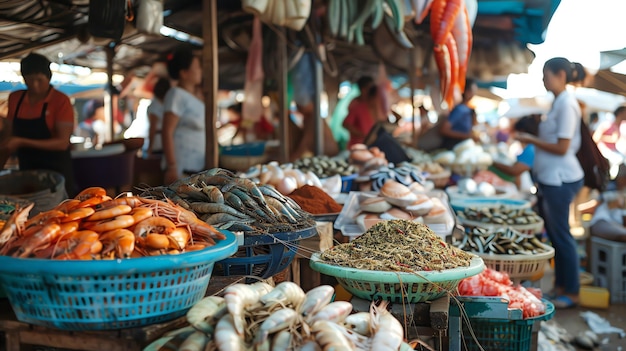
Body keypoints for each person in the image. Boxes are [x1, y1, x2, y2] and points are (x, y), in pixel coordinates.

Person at [515, 57, 586, 309]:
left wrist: (530, 139)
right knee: (556, 237)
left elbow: (562, 146)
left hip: (561, 179)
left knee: (562, 236)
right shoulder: (559, 102)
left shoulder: (567, 104)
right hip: (551, 179)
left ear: (559, 75)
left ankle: (573, 292)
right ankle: (562, 286)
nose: (543, 79)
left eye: (546, 74)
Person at [0, 52, 76, 196]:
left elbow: (62, 143)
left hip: (57, 172)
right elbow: (8, 138)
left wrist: (21, 142)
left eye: (39, 80)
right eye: (29, 80)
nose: (34, 85)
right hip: (27, 171)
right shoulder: (16, 98)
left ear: (48, 77)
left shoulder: (60, 101)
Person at [162, 46, 205, 184]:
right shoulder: (176, 95)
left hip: (195, 169)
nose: (200, 71)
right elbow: (167, 131)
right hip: (181, 170)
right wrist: (172, 166)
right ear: (184, 73)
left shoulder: (192, 97)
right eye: (197, 67)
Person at [490, 115, 541, 191]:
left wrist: (491, 162)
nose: (515, 135)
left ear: (523, 131)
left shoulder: (530, 149)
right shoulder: (528, 148)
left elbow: (514, 171)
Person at [342, 76, 383, 148]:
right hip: (357, 146)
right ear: (363, 89)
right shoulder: (357, 105)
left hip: (369, 145)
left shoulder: (372, 107)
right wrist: (363, 135)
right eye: (369, 89)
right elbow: (345, 124)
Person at [439, 78, 478, 150]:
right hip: (452, 148)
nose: (474, 93)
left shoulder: (467, 110)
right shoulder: (460, 110)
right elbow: (444, 130)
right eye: (473, 91)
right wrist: (467, 136)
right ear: (467, 92)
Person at [593, 105, 626, 179]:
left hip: (614, 150)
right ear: (620, 113)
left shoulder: (619, 126)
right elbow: (596, 138)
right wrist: (611, 139)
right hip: (605, 151)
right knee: (619, 160)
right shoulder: (607, 124)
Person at [145, 77, 171, 157]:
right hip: (161, 142)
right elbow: (153, 127)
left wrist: (150, 147)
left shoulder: (156, 105)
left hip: (159, 142)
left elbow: (152, 128)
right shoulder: (157, 105)